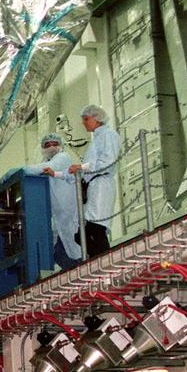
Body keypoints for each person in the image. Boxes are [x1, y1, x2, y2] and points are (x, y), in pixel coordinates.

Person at [66, 104, 120, 259]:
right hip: (94, 186)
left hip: (101, 185)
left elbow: (108, 161)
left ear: (97, 118)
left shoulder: (108, 135)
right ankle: (98, 258)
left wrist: (82, 167)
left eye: (86, 119)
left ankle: (104, 260)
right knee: (82, 234)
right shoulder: (97, 139)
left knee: (95, 229)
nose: (83, 123)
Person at [32, 133, 81, 270]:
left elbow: (47, 168)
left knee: (71, 252)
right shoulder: (45, 164)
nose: (51, 147)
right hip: (57, 219)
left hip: (69, 215)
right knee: (57, 252)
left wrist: (21, 171)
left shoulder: (63, 158)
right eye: (47, 145)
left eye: (55, 144)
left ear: (61, 145)